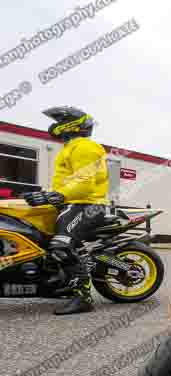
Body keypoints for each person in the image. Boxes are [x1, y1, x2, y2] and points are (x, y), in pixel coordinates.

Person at [22, 107, 108, 315]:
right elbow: (69, 183)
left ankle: (83, 298)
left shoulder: (85, 146)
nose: (54, 124)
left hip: (86, 205)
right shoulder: (71, 148)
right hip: (71, 203)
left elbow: (84, 183)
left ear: (72, 124)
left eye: (58, 120)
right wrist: (47, 195)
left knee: (61, 246)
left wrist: (55, 196)